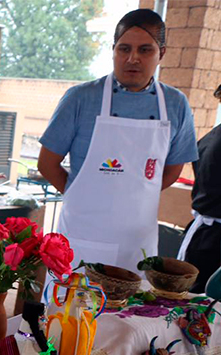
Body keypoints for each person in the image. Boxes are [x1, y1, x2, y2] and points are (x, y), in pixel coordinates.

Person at [37, 9, 198, 273]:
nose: (132, 58)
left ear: (162, 53)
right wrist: (82, 196)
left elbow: (172, 169)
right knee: (72, 312)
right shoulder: (80, 98)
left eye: (145, 50)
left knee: (134, 312)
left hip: (138, 243)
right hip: (82, 236)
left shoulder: (175, 104)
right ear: (113, 50)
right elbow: (47, 163)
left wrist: (133, 197)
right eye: (124, 49)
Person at [178, 84, 221, 293]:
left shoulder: (210, 137)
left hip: (205, 234)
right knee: (203, 309)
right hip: (213, 240)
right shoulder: (213, 140)